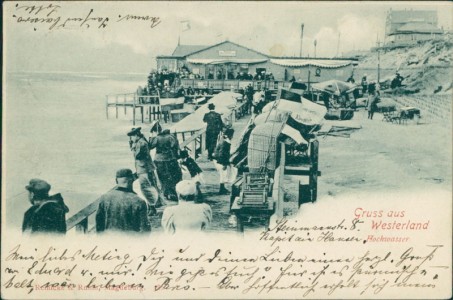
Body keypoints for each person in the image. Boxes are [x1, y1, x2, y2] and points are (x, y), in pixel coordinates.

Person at [96, 169, 151, 233]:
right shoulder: (139, 201)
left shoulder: (104, 198)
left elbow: (99, 223)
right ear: (132, 180)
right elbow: (145, 229)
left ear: (116, 180)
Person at [128, 127, 161, 215]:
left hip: (144, 169)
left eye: (132, 137)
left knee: (146, 188)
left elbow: (137, 156)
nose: (131, 139)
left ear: (136, 135)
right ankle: (156, 204)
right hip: (145, 168)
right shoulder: (141, 141)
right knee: (151, 186)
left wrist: (133, 146)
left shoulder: (141, 143)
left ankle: (152, 208)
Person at [149, 128, 182, 201]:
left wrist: (151, 136)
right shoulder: (172, 137)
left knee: (163, 177)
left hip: (159, 159)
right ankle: (174, 193)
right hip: (171, 158)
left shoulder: (157, 138)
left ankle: (166, 193)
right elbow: (176, 147)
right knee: (173, 176)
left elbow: (150, 146)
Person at [213, 128, 234, 195]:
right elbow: (221, 154)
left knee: (223, 174)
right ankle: (222, 189)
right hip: (219, 160)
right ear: (230, 135)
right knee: (223, 174)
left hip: (217, 159)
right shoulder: (225, 143)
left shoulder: (223, 140)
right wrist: (224, 164)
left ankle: (223, 188)